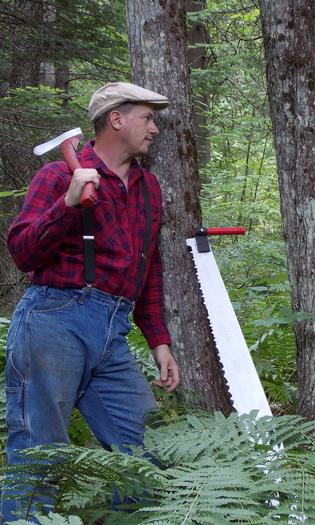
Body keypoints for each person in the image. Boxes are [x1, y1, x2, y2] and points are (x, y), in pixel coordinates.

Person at [2, 82, 180, 521]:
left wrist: (158, 340)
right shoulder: (58, 176)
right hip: (53, 322)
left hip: (112, 331)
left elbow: (147, 266)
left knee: (147, 450)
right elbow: (22, 251)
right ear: (116, 119)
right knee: (38, 455)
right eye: (147, 117)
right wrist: (66, 204)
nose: (154, 128)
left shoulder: (147, 188)